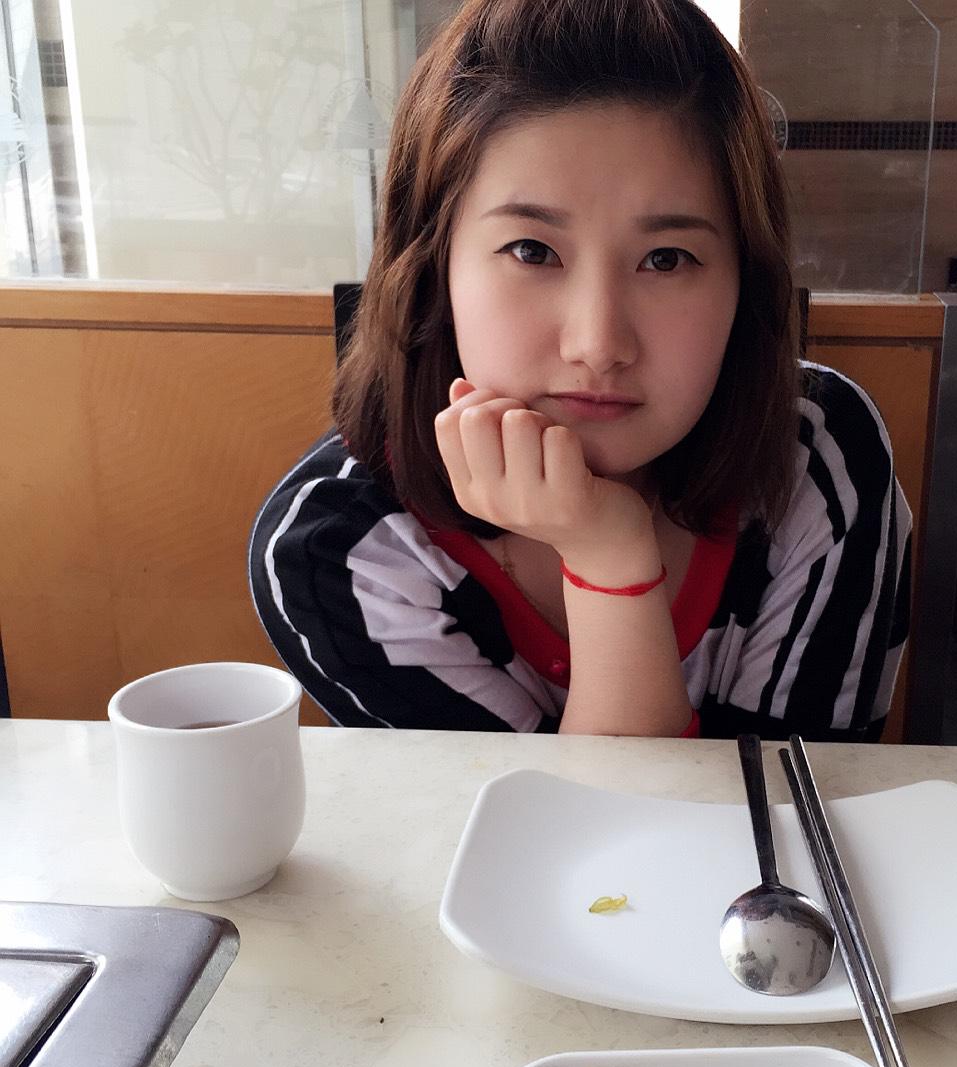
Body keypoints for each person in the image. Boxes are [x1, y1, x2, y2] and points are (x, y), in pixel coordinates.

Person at [249, 0, 911, 741]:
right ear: (433, 267)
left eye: (667, 259)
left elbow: (786, 801)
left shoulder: (817, 462)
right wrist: (607, 557)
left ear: (745, 284)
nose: (598, 344)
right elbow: (519, 817)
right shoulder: (344, 548)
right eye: (532, 251)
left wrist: (607, 555)